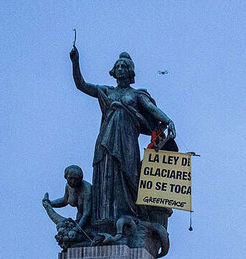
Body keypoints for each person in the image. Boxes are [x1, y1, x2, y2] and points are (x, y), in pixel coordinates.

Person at [69, 46, 176, 236]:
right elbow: (81, 85)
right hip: (106, 139)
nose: (120, 69)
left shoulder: (136, 95)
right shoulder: (106, 91)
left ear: (130, 71)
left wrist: (168, 120)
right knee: (106, 174)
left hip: (127, 142)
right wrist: (75, 61)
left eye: (124, 67)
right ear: (114, 71)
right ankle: (105, 219)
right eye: (118, 66)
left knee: (129, 177)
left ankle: (132, 215)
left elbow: (151, 110)